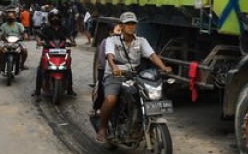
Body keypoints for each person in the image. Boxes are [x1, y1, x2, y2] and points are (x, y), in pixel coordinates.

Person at [95, 11, 172, 143]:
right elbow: (109, 56)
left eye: (133, 24)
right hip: (114, 76)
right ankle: (102, 128)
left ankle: (139, 123)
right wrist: (114, 67)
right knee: (111, 99)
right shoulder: (111, 40)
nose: (131, 26)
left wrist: (163, 67)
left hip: (134, 76)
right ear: (122, 26)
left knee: (147, 96)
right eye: (127, 24)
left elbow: (152, 55)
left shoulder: (141, 41)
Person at [33, 9, 76, 101]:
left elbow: (70, 35)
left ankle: (70, 89)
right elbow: (38, 36)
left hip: (61, 51)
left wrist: (72, 41)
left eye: (57, 17)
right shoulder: (46, 28)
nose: (55, 18)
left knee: (68, 69)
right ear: (49, 18)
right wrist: (39, 41)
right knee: (41, 69)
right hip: (48, 51)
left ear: (60, 18)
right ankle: (37, 90)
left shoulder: (64, 27)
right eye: (53, 17)